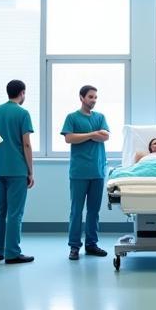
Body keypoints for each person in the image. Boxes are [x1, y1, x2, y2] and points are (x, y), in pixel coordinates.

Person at [61, 85, 110, 261]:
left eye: (96, 97)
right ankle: (74, 247)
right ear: (81, 98)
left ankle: (91, 244)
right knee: (76, 211)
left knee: (94, 211)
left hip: (97, 171)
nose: (94, 100)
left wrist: (87, 135)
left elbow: (105, 136)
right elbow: (69, 138)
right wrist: (91, 134)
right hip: (79, 172)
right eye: (91, 97)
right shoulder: (72, 117)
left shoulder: (100, 117)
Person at [0, 79, 35, 264]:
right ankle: (13, 252)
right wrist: (30, 171)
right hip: (17, 169)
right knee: (15, 213)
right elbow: (26, 144)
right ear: (22, 93)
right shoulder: (23, 114)